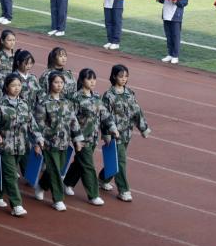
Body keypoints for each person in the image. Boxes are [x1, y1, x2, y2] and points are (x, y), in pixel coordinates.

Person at [0, 74, 42, 216]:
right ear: (6, 87)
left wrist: (38, 139)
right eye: (13, 85)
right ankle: (16, 205)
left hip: (21, 146)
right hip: (5, 145)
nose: (17, 88)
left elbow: (32, 124)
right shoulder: (0, 104)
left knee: (5, 173)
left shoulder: (24, 104)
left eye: (19, 85)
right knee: (11, 175)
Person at [64, 68, 117, 206]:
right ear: (82, 80)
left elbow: (104, 114)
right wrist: (76, 138)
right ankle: (93, 195)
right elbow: (71, 119)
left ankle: (68, 182)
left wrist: (112, 128)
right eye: (89, 79)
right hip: (81, 138)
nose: (92, 82)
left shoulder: (96, 96)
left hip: (93, 137)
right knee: (88, 165)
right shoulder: (75, 98)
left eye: (94, 79)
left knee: (80, 161)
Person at [34, 72, 83, 212]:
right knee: (55, 170)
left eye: (61, 83)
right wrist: (37, 142)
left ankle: (42, 185)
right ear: (50, 83)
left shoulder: (67, 102)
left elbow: (73, 122)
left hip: (64, 142)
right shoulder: (43, 102)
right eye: (56, 82)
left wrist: (77, 140)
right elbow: (38, 124)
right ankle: (58, 199)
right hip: (49, 143)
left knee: (57, 168)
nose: (59, 85)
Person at [100, 64, 150, 201]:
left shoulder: (129, 93)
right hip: (115, 135)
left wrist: (143, 128)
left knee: (115, 160)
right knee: (121, 161)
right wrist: (106, 134)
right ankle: (124, 190)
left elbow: (137, 112)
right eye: (121, 76)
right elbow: (104, 116)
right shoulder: (108, 96)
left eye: (126, 76)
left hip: (127, 133)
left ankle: (103, 179)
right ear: (114, 76)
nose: (124, 79)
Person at [159, 0, 188, 64]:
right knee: (168, 35)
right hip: (166, 14)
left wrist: (177, 2)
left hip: (175, 16)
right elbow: (166, 0)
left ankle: (175, 55)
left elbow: (185, 2)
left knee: (175, 36)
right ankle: (170, 54)